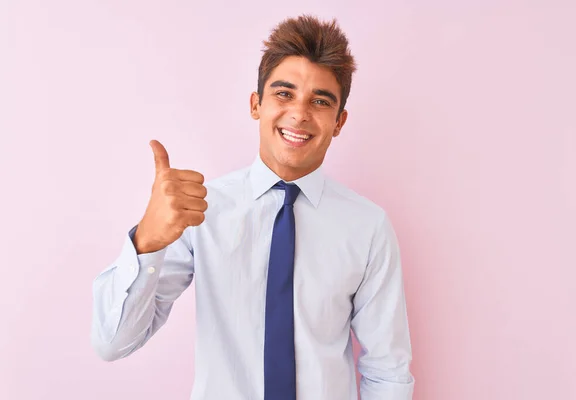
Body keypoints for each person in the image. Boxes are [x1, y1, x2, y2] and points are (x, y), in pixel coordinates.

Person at [91, 14, 415, 400]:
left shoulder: (368, 227)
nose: (299, 113)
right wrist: (146, 240)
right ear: (255, 104)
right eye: (284, 93)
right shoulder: (201, 210)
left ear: (339, 121)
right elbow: (112, 343)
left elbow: (387, 370)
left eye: (320, 101)